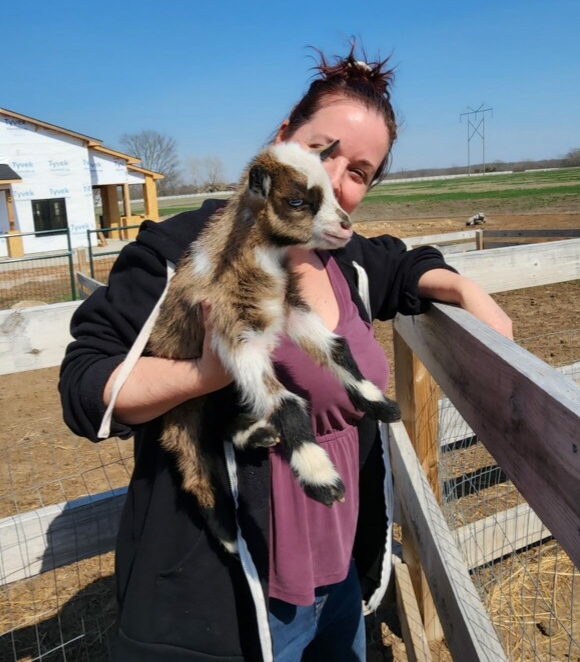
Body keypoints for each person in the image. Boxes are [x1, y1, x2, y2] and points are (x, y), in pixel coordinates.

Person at [59, 42, 512, 662]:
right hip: (234, 600)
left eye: (359, 171)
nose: (334, 178)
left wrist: (457, 284)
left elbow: (400, 265)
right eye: (323, 151)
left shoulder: (338, 257)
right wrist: (204, 372)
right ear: (283, 141)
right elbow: (86, 385)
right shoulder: (180, 250)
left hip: (339, 579)